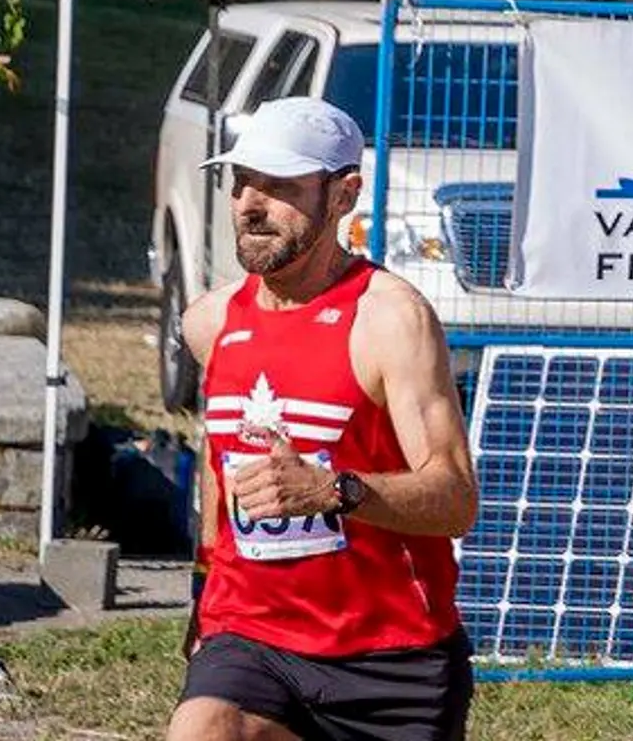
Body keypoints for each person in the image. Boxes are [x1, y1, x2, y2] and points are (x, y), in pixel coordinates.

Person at [175, 98, 480, 741]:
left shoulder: (391, 320)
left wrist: (335, 490)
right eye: (241, 182)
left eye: (279, 186)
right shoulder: (210, 322)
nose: (250, 205)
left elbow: (455, 499)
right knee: (204, 729)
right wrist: (206, 587)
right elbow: (219, 467)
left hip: (391, 657)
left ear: (344, 196)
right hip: (250, 636)